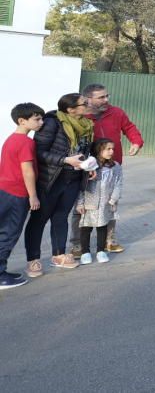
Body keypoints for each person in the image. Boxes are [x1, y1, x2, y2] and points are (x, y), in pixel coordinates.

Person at [25, 93, 92, 277]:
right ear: (70, 109)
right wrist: (65, 160)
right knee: (39, 220)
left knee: (61, 217)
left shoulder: (86, 125)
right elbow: (38, 153)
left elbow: (84, 151)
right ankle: (33, 260)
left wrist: (90, 164)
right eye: (84, 103)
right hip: (51, 179)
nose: (88, 104)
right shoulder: (52, 123)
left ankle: (59, 255)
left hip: (73, 179)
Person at [72, 83, 142, 256]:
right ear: (88, 99)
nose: (106, 100)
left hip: (112, 167)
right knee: (81, 207)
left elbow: (129, 127)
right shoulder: (81, 116)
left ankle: (109, 241)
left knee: (111, 204)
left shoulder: (116, 112)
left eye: (107, 96)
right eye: (101, 97)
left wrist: (136, 141)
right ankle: (78, 244)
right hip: (87, 169)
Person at [0, 103, 44, 289]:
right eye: (37, 119)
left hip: (5, 190)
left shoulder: (11, 139)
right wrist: (33, 196)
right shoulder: (26, 142)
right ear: (22, 120)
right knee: (8, 233)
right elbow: (27, 171)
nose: (41, 122)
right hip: (17, 194)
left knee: (3, 230)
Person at [75, 138, 123, 265]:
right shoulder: (90, 165)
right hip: (90, 203)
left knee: (102, 226)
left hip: (106, 203)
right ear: (98, 150)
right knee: (86, 227)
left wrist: (113, 199)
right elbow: (82, 185)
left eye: (112, 149)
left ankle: (101, 251)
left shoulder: (115, 166)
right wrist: (80, 202)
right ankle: (85, 252)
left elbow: (118, 183)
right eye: (108, 149)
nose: (111, 151)